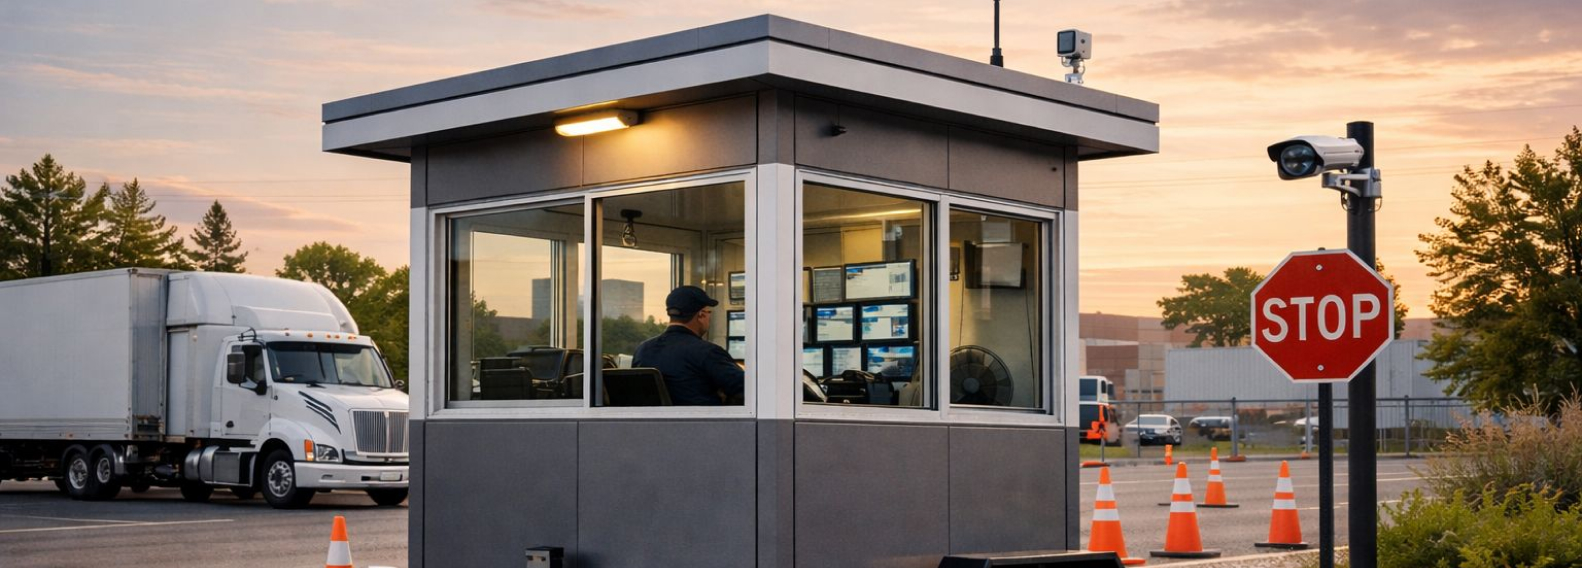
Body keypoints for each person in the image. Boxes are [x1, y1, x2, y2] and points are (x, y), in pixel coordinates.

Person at [632, 285, 745, 405]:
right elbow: (748, 389)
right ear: (701, 315)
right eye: (709, 312)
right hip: (703, 422)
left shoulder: (642, 350)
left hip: (655, 423)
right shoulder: (707, 352)